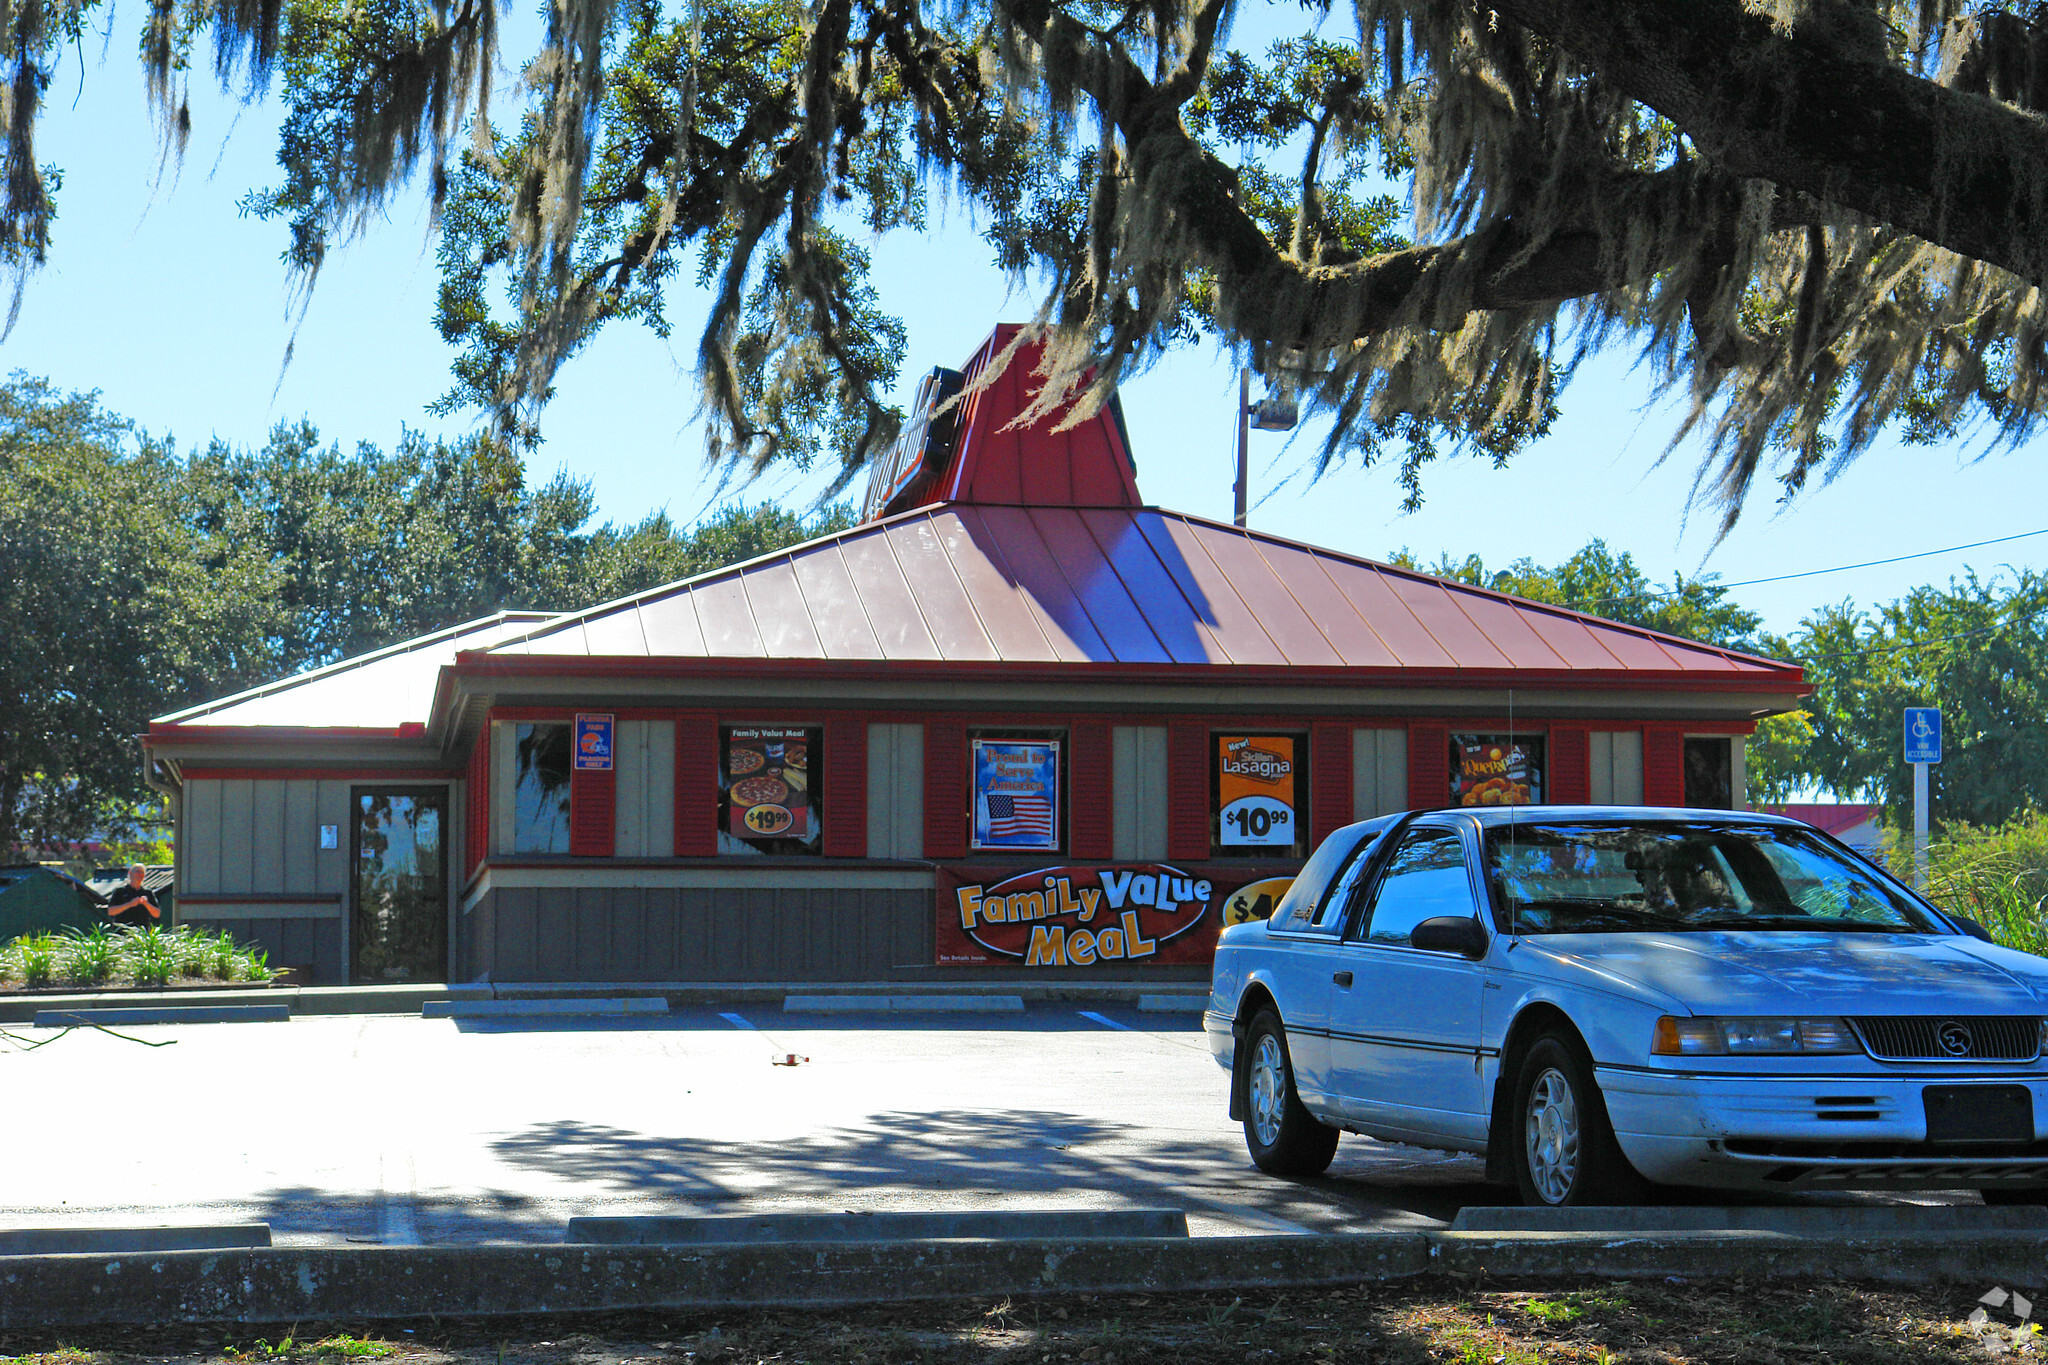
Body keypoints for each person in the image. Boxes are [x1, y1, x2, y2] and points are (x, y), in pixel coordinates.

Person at [105, 864, 162, 929]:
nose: (140, 874)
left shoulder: (148, 892)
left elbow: (157, 914)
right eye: (137, 871)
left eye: (142, 872)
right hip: (122, 931)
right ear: (130, 873)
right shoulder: (120, 891)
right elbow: (110, 911)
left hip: (142, 933)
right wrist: (130, 904)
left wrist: (146, 904)